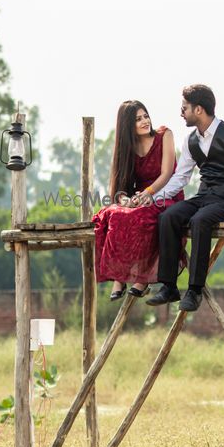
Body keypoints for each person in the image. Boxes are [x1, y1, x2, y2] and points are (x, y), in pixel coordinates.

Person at [144, 84, 224, 312]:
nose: (181, 113)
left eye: (184, 108)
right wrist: (152, 198)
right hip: (204, 195)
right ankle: (169, 286)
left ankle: (194, 290)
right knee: (168, 217)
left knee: (199, 221)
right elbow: (179, 179)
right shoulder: (191, 140)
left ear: (199, 110)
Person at [93, 100, 185, 300]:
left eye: (146, 116)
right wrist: (126, 201)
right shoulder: (127, 148)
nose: (145, 121)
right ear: (127, 125)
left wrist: (148, 193)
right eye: (138, 119)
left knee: (144, 216)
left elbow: (167, 173)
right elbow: (122, 187)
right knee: (114, 214)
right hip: (140, 198)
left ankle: (142, 279)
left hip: (165, 194)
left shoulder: (164, 135)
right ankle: (119, 278)